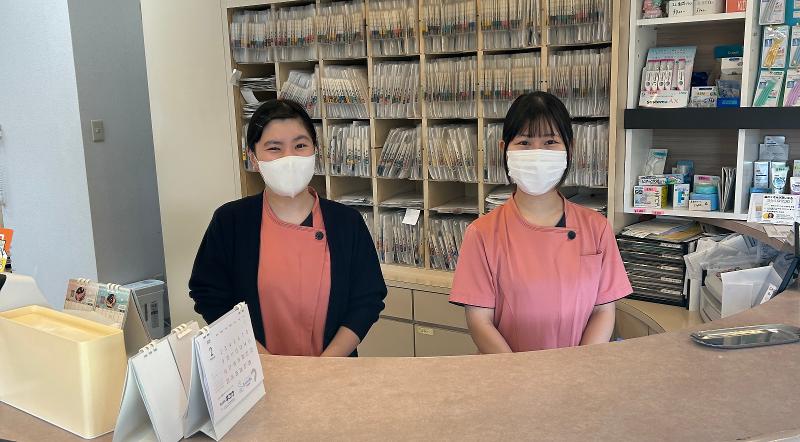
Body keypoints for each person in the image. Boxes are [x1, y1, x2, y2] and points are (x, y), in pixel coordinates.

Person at [189, 99, 386, 357]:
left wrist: (328, 364)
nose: (289, 158)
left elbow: (367, 298)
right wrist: (259, 358)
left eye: (300, 145)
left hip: (334, 369)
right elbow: (210, 295)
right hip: (257, 368)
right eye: (274, 148)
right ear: (253, 157)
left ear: (315, 150)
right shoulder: (231, 221)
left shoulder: (346, 222)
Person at [449, 91, 632, 353]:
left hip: (580, 368)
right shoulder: (482, 233)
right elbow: (479, 321)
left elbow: (603, 310)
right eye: (524, 142)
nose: (537, 153)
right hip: (507, 370)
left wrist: (580, 366)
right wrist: (521, 372)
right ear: (504, 150)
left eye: (550, 141)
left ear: (570, 148)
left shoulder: (596, 228)